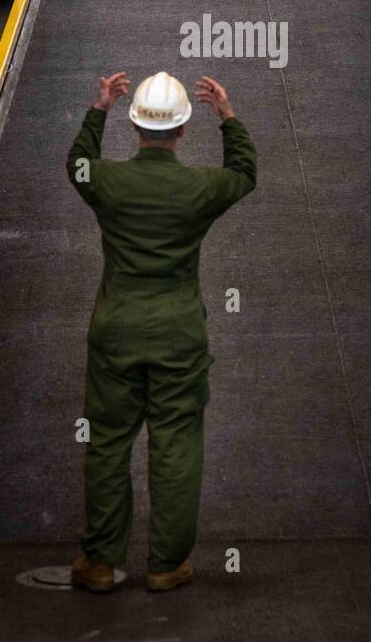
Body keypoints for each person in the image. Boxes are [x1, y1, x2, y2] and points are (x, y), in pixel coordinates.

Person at [66, 71, 257, 593]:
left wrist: (98, 107)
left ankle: (100, 562)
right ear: (182, 129)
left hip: (115, 332)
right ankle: (166, 564)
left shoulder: (108, 182)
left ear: (135, 126)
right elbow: (244, 173)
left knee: (106, 442)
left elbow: (77, 165)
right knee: (175, 443)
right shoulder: (200, 188)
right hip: (179, 336)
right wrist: (228, 115)